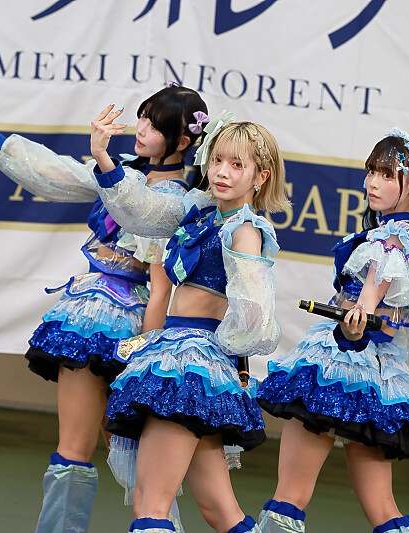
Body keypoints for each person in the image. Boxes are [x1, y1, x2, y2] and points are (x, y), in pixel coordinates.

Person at [0, 85, 208, 532]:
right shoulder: (130, 171)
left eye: (155, 125)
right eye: (142, 117)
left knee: (123, 466)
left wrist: (146, 352)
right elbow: (59, 175)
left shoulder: (177, 201)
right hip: (103, 318)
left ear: (182, 141)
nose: (141, 128)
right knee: (110, 461)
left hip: (115, 324)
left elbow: (157, 272)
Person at [91, 109, 290, 533]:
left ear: (261, 176)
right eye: (216, 160)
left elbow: (255, 315)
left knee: (150, 505)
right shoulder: (201, 210)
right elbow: (142, 211)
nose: (221, 172)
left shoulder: (244, 230)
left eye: (236, 164)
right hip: (185, 356)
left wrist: (218, 352)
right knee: (220, 511)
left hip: (190, 364)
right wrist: (104, 158)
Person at [255, 128, 409, 533]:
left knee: (290, 495)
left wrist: (358, 319)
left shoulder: (394, 236)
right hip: (378, 375)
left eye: (386, 174)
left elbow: (371, 299)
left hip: (343, 363)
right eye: (371, 172)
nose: (372, 183)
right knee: (383, 509)